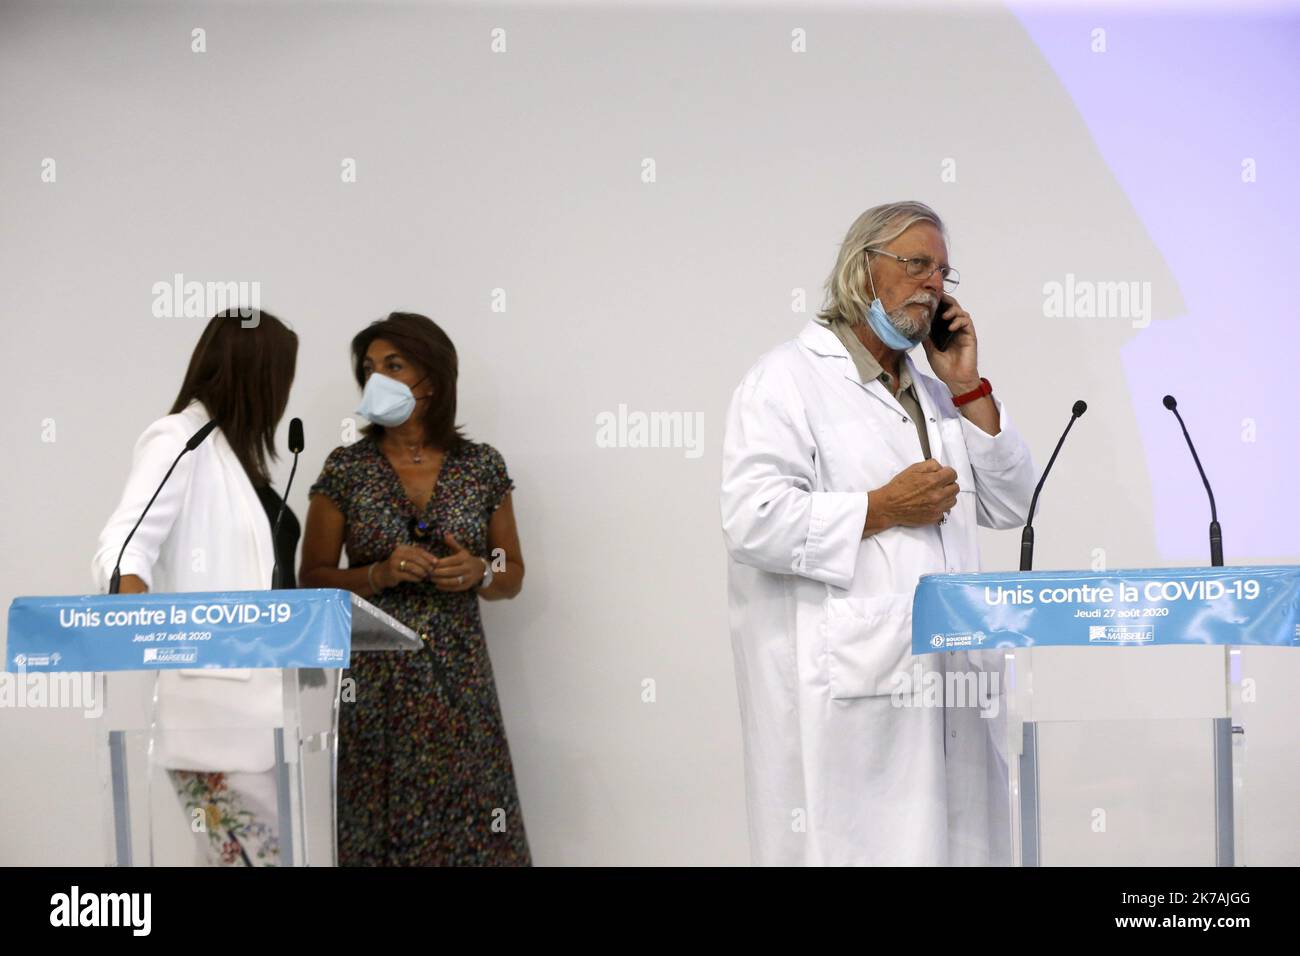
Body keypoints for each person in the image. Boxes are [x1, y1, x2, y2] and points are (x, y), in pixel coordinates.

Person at [719, 201, 1037, 865]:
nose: (935, 285)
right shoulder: (785, 381)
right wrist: (881, 507)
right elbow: (752, 521)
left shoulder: (938, 388)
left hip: (952, 683)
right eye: (917, 265)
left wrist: (969, 384)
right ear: (864, 271)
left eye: (944, 272)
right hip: (852, 695)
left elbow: (1012, 505)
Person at [300, 311, 530, 866]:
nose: (376, 376)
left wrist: (481, 572)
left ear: (432, 377)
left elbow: (512, 571)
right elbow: (311, 577)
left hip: (459, 681)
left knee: (474, 827)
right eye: (369, 367)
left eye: (394, 365)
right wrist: (377, 574)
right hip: (374, 685)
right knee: (376, 827)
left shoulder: (481, 466)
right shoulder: (347, 468)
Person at [91, 308, 300, 866]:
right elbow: (123, 548)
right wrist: (142, 633)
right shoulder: (178, 438)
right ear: (254, 373)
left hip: (268, 723)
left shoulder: (233, 457)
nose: (283, 394)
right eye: (283, 376)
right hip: (212, 719)